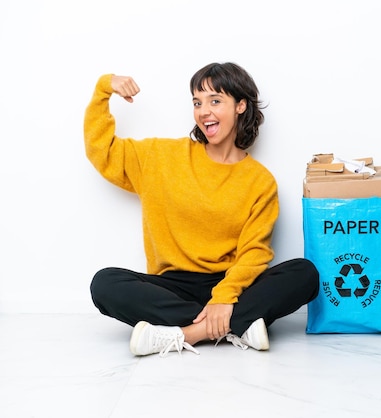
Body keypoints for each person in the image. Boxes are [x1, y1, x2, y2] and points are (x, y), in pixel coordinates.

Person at [84, 62, 320, 357]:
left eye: (215, 101)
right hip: (172, 285)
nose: (203, 110)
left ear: (241, 106)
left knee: (305, 273)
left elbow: (254, 253)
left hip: (231, 283)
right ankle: (239, 324)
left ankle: (186, 334)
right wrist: (104, 88)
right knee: (105, 283)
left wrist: (224, 296)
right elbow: (102, 152)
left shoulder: (259, 181)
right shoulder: (162, 157)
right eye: (197, 102)